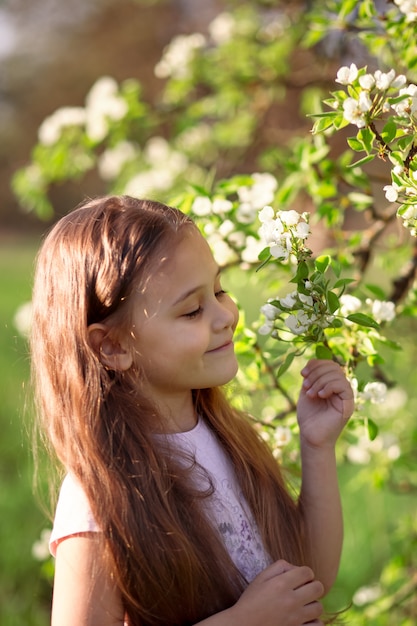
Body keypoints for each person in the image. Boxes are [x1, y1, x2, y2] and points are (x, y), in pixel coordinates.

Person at [30, 195, 355, 626]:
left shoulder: (225, 439)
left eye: (219, 290)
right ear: (112, 346)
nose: (225, 316)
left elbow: (310, 578)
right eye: (192, 310)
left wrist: (317, 445)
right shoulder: (101, 499)